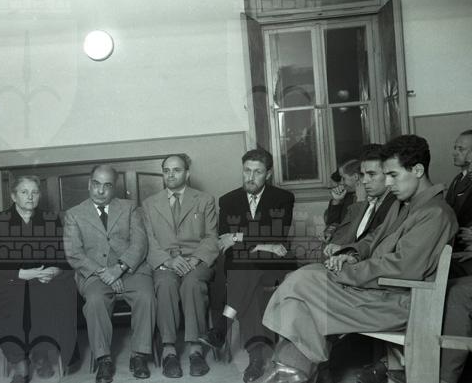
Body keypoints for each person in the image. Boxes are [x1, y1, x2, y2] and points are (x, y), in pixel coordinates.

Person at [255, 134, 458, 383]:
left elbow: (403, 269)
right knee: (300, 291)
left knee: (300, 284)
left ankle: (294, 369)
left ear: (417, 170)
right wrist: (352, 256)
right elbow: (373, 239)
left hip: (399, 302)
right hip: (379, 291)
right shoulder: (407, 205)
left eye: (393, 175)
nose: (388, 182)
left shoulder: (435, 213)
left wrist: (347, 273)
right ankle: (292, 371)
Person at [199, 148, 294, 383]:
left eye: (257, 172)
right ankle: (255, 359)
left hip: (272, 266)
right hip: (241, 266)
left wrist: (239, 237)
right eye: (247, 171)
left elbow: (277, 235)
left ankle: (222, 327)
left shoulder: (283, 197)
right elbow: (224, 239)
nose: (250, 177)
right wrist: (262, 243)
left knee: (245, 272)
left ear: (268, 174)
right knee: (247, 277)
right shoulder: (228, 200)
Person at [0, 175, 77, 383]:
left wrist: (54, 271)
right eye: (24, 192)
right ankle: (19, 362)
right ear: (14, 196)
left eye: (34, 192)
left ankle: (41, 353)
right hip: (11, 281)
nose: (30, 197)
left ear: (39, 195)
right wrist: (21, 274)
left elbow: (62, 255)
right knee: (13, 303)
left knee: (50, 297)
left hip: (43, 280)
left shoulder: (50, 219)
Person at [63, 165, 155, 383]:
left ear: (115, 188)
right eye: (96, 184)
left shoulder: (130, 207)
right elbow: (74, 253)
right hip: (94, 273)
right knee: (95, 301)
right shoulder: (74, 214)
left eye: (107, 185)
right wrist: (104, 273)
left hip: (130, 269)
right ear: (89, 184)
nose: (100, 190)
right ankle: (103, 359)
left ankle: (139, 355)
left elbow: (140, 243)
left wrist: (119, 269)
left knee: (146, 296)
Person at [142, 154, 219, 378]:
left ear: (187, 173)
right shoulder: (149, 204)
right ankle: (169, 350)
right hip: (166, 261)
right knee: (165, 285)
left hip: (196, 260)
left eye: (176, 170)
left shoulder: (204, 200)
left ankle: (196, 349)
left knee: (192, 284)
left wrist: (195, 259)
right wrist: (167, 260)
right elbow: (149, 240)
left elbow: (211, 237)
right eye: (166, 170)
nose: (171, 175)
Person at [324, 144, 396, 249]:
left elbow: (367, 239)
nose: (364, 180)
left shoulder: (389, 202)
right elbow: (338, 226)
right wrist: (337, 202)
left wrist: (361, 201)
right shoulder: (349, 197)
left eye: (371, 174)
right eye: (363, 175)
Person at [446, 130, 472, 277]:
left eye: (461, 149)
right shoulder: (458, 179)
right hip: (455, 247)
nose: (454, 153)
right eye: (455, 148)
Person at [323, 158, 364, 236]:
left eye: (344, 178)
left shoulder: (370, 197)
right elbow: (332, 224)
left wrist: (360, 201)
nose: (341, 182)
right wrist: (336, 201)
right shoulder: (346, 196)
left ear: (356, 177)